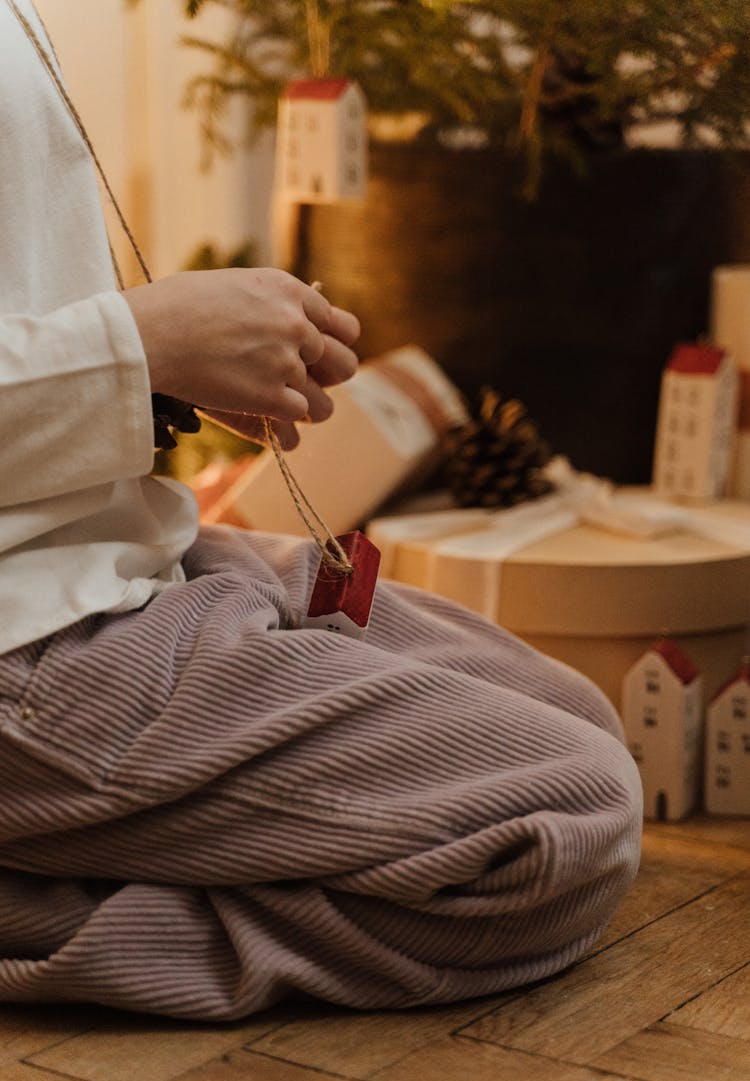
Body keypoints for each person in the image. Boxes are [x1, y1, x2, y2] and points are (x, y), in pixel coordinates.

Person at [0, 0, 642, 1020]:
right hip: (27, 633)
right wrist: (139, 345)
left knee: (581, 720)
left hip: (116, 551)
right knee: (559, 814)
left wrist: (162, 377)